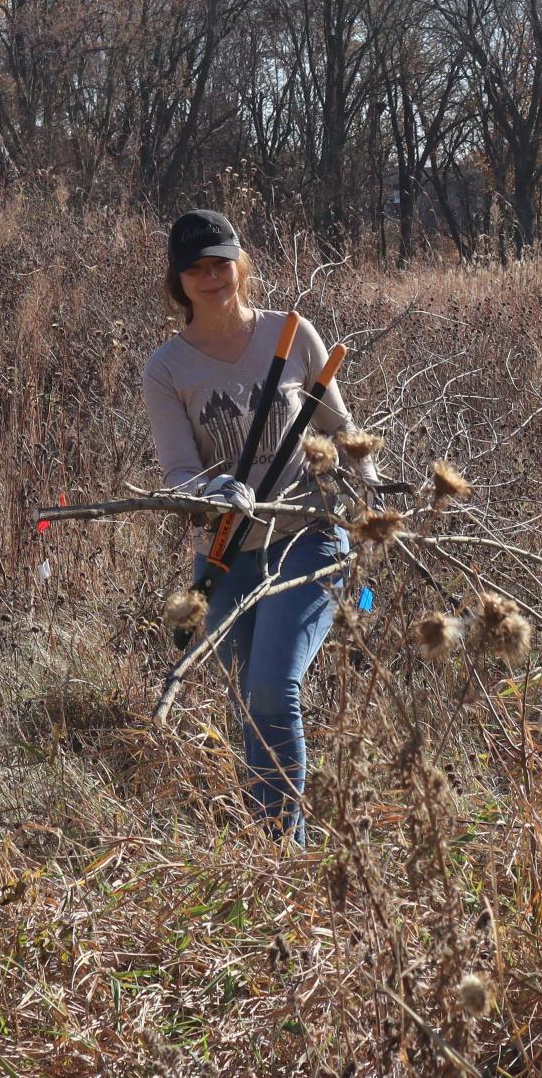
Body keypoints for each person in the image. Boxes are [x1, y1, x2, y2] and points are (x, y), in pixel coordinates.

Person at [140, 208, 371, 839]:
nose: (211, 277)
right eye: (196, 268)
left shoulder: (290, 336)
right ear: (178, 280)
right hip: (225, 553)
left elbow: (335, 427)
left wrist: (365, 471)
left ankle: (284, 856)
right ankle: (280, 847)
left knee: (272, 689)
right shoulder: (167, 369)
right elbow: (179, 475)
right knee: (249, 703)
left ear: (241, 265)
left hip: (309, 536)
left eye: (221, 263)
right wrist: (213, 488)